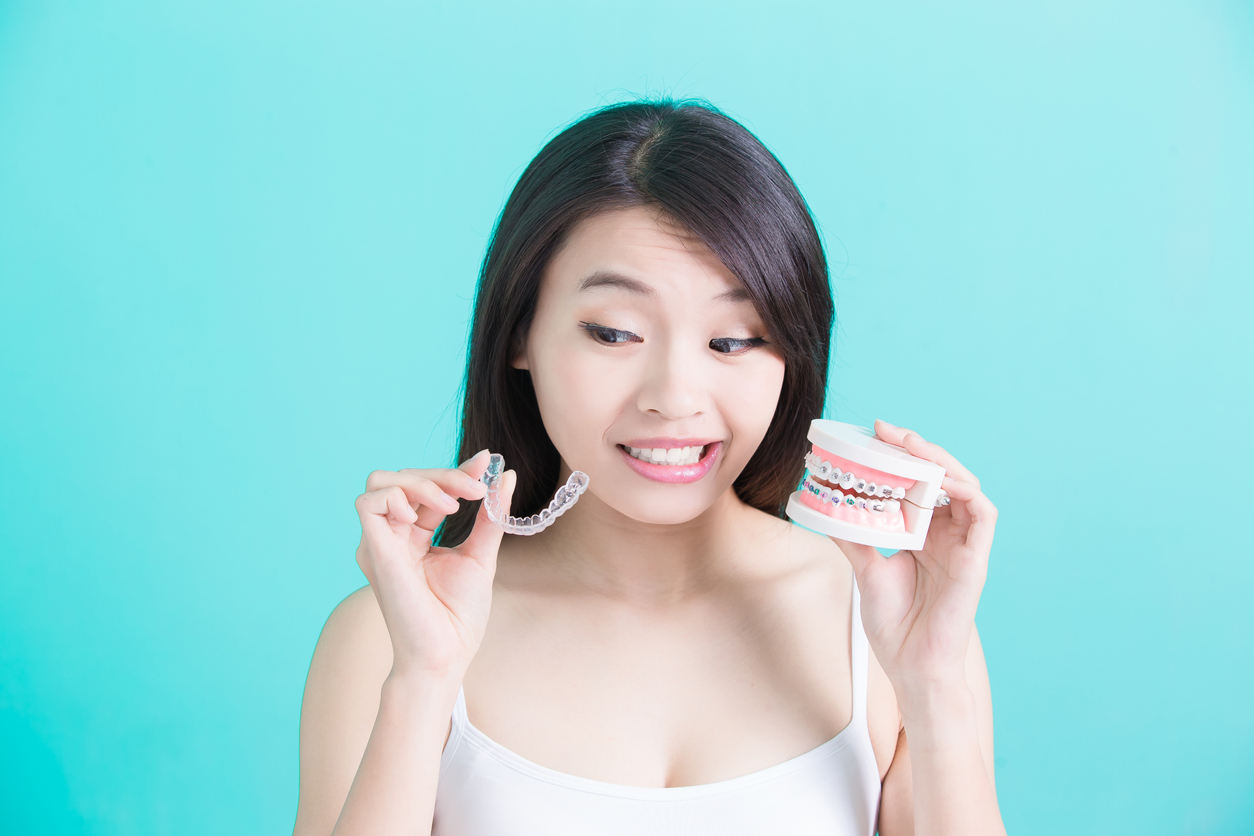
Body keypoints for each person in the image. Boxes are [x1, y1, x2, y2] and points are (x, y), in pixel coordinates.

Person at [292, 99, 1006, 836]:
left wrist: (933, 685)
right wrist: (423, 680)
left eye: (733, 340)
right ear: (520, 335)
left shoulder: (893, 629)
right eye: (614, 332)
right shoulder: (389, 639)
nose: (674, 398)